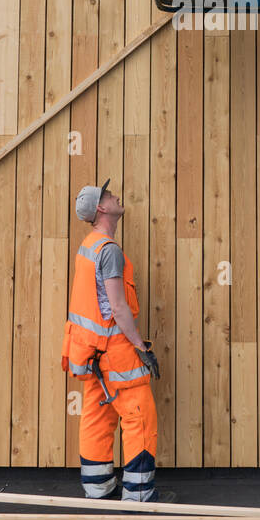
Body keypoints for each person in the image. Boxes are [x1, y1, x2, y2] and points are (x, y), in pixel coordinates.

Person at [61, 179, 161, 502]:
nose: (115, 194)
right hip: (116, 351)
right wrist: (140, 347)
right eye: (108, 195)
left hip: (91, 353)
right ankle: (139, 494)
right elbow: (117, 306)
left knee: (97, 416)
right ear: (102, 208)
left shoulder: (88, 247)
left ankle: (98, 488)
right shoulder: (110, 252)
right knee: (139, 415)